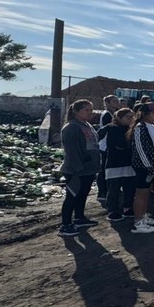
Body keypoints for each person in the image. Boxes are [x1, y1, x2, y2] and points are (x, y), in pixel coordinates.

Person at [58, 99, 101, 237]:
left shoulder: (87, 125)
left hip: (89, 169)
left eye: (91, 110)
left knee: (83, 194)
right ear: (76, 111)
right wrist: (78, 168)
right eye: (86, 110)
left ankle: (79, 217)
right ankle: (65, 225)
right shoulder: (71, 127)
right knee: (72, 196)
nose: (90, 112)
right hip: (76, 170)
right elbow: (71, 151)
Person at [129, 102, 154, 234]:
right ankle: (138, 222)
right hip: (143, 166)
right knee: (140, 193)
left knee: (146, 191)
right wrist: (148, 166)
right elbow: (140, 149)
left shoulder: (152, 125)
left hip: (152, 164)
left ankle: (143, 216)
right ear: (145, 114)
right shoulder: (139, 127)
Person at [100, 107, 135, 222]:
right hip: (115, 163)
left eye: (132, 117)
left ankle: (127, 208)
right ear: (119, 118)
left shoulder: (132, 129)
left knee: (129, 187)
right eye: (128, 117)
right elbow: (119, 144)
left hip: (128, 163)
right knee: (114, 188)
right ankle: (113, 210)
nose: (130, 119)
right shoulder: (112, 128)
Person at [96, 94, 120, 206]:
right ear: (108, 102)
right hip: (105, 145)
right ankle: (102, 191)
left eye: (117, 101)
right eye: (114, 101)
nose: (117, 103)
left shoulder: (112, 113)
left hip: (107, 144)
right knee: (103, 169)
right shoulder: (107, 114)